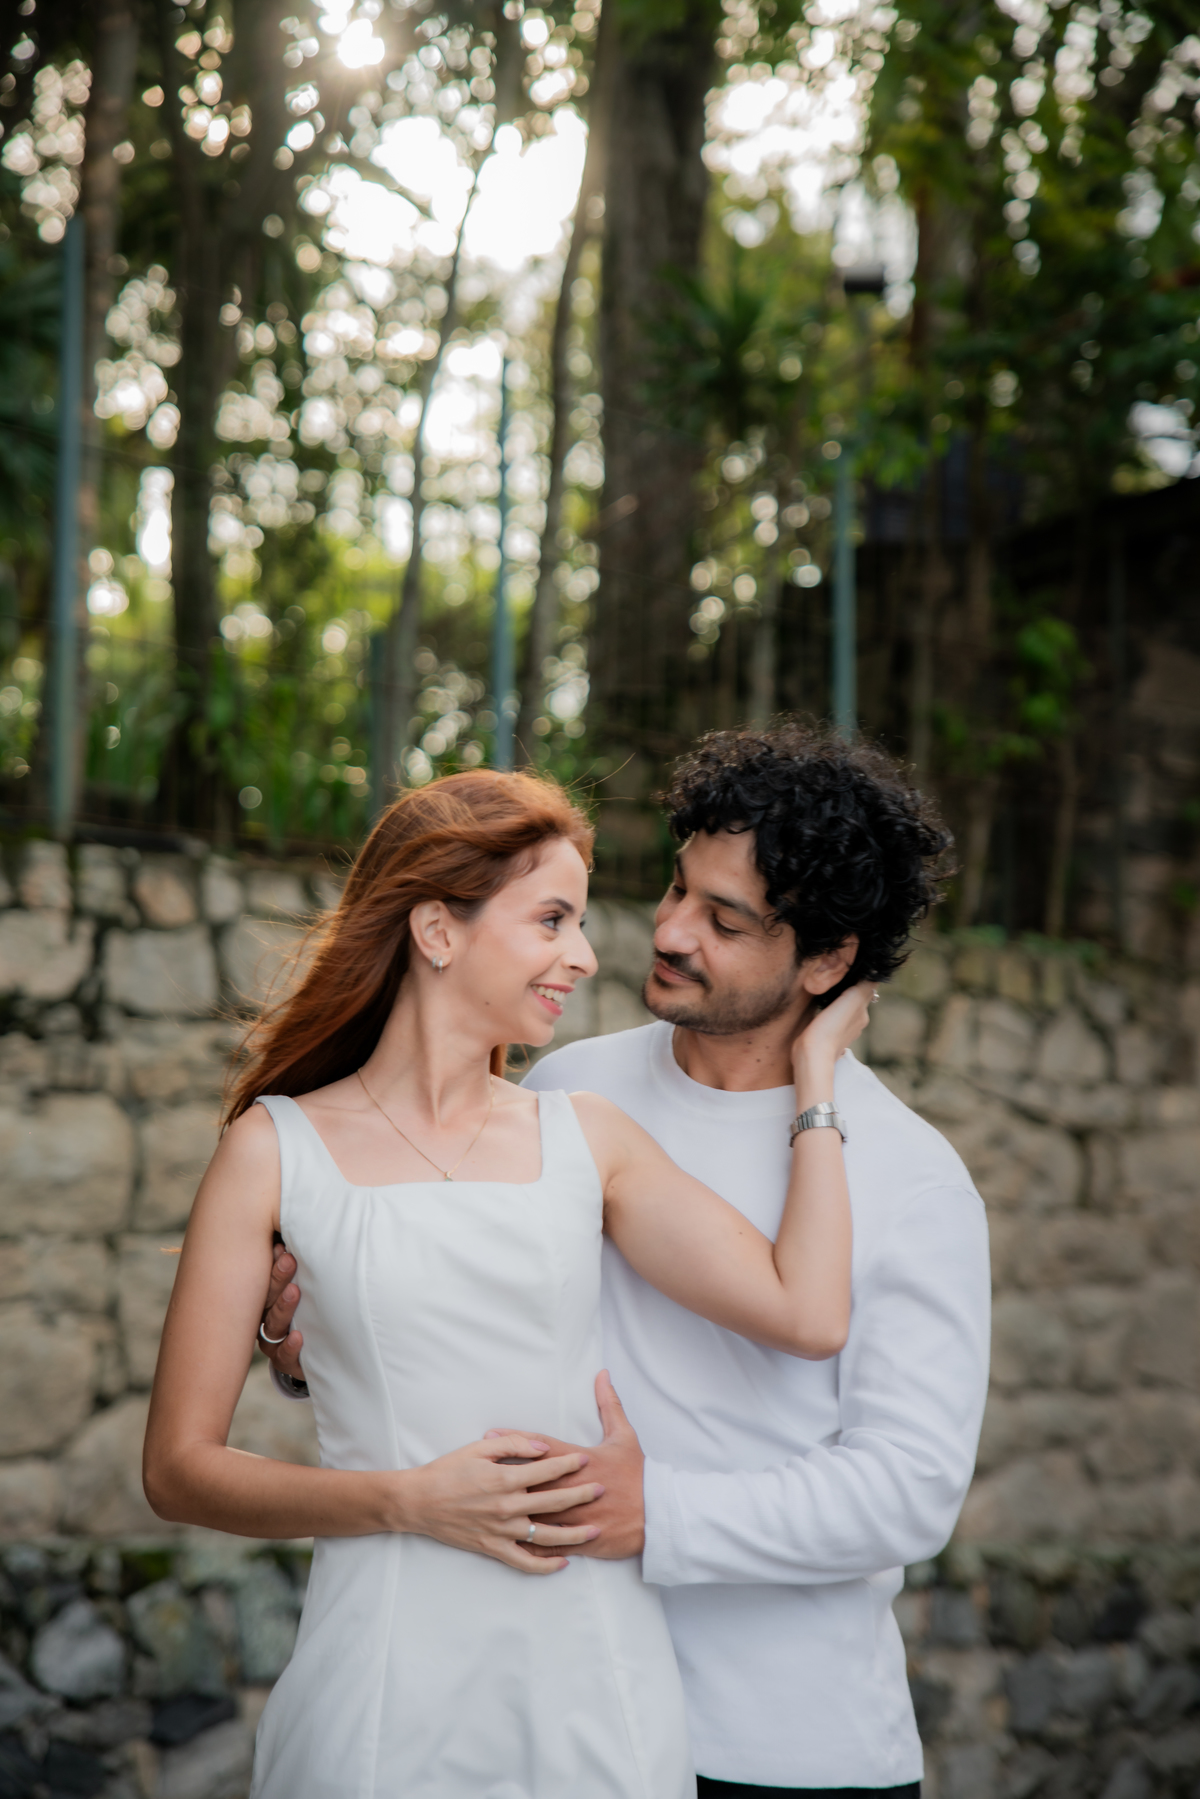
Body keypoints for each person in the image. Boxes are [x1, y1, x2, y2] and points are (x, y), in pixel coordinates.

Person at [261, 725, 992, 1798]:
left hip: (781, 1743)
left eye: (724, 921)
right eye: (678, 887)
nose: (670, 929)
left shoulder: (911, 1177)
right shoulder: (569, 1089)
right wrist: (308, 1347)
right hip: (558, 1712)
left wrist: (662, 1513)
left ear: (829, 961)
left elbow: (908, 1491)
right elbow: (471, 1328)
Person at [143, 766, 873, 1799]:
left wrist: (819, 1076)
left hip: (593, 1675)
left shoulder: (588, 1137)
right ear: (438, 929)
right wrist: (407, 1498)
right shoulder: (271, 1151)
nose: (585, 954)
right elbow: (177, 1468)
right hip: (385, 1673)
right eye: (551, 919)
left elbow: (809, 1311)